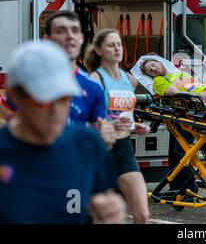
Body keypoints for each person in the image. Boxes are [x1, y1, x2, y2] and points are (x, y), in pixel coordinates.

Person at [0, 41, 126, 223]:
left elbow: (104, 200)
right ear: (16, 96)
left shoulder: (86, 144)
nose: (56, 110)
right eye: (43, 100)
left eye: (63, 98)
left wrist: (111, 213)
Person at [84, 29, 150, 224]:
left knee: (142, 214)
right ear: (99, 50)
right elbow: (86, 120)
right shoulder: (95, 80)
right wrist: (110, 124)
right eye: (111, 45)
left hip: (123, 149)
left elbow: (124, 114)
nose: (117, 49)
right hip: (99, 151)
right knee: (97, 216)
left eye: (119, 44)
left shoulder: (130, 80)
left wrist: (134, 125)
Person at [43, 11, 116, 149]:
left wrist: (106, 137)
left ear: (81, 38)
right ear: (48, 40)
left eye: (75, 31)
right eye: (61, 31)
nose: (70, 36)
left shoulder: (93, 87)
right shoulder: (30, 81)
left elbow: (101, 138)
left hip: (75, 166)